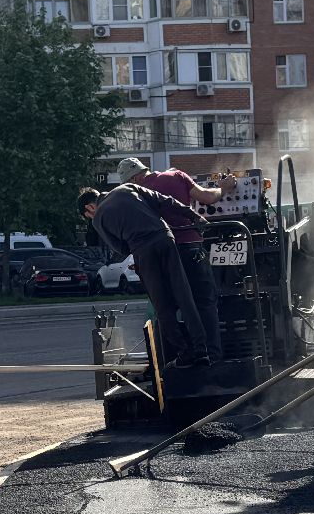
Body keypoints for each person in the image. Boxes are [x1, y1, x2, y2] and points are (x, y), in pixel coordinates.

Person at [117, 157, 236, 364]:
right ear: (143, 171)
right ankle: (212, 356)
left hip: (158, 257)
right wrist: (224, 188)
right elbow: (207, 197)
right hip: (189, 248)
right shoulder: (176, 176)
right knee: (204, 302)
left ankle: (177, 359)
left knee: (167, 308)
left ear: (132, 179)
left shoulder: (131, 196)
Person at [78, 183, 210, 367]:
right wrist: (195, 216)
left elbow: (120, 248)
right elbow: (166, 201)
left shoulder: (98, 218)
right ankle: (202, 351)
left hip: (143, 251)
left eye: (88, 215)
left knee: (162, 307)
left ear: (90, 207)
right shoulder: (128, 188)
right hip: (165, 238)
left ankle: (185, 353)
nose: (91, 216)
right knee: (184, 296)